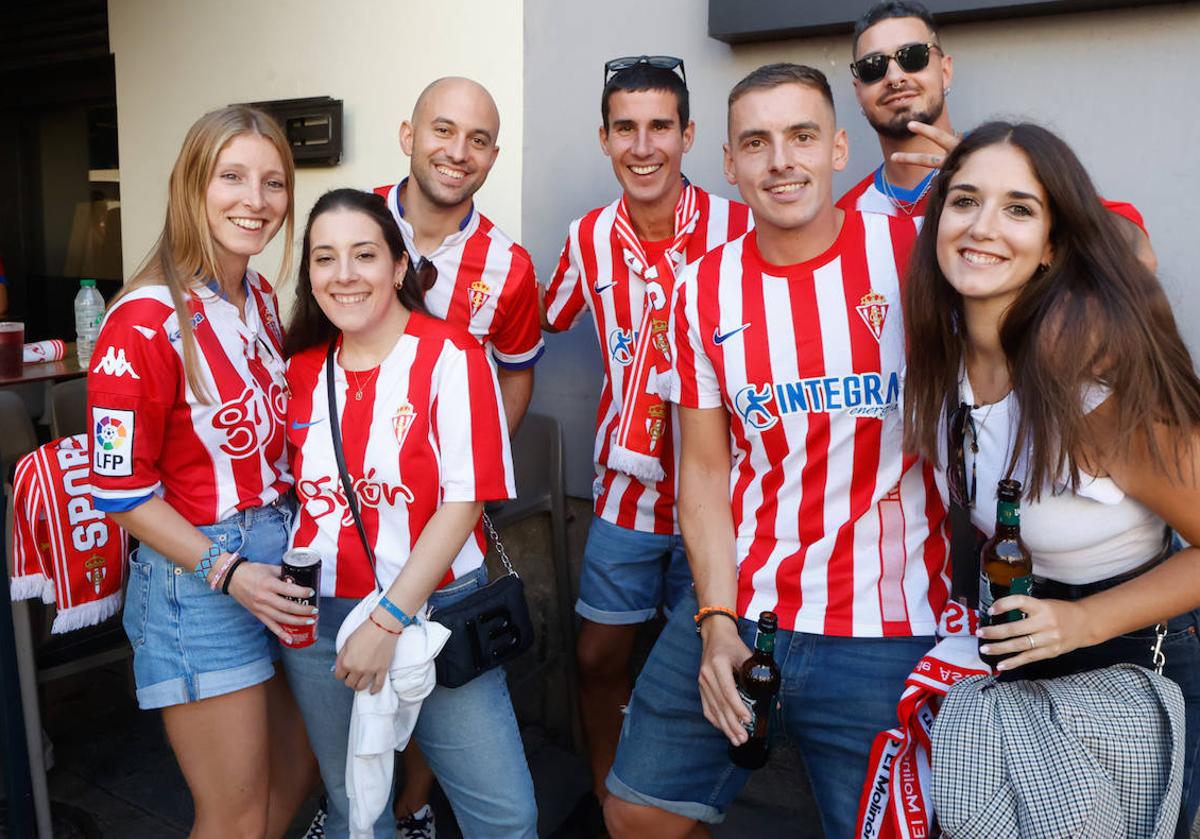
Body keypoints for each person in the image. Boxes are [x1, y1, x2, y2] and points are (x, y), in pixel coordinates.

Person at [603, 63, 948, 839]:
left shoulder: (919, 257)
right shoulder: (699, 288)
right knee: (636, 810)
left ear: (837, 148)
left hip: (882, 625)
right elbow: (702, 469)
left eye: (801, 136)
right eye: (755, 143)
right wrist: (715, 619)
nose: (779, 160)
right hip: (741, 606)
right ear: (728, 163)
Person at [902, 120, 1200, 837]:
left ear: (1053, 247)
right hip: (1017, 654)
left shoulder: (1092, 387)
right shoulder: (940, 357)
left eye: (1019, 208)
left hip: (1130, 660)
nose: (982, 227)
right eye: (964, 200)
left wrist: (1083, 621)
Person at [86, 106, 317, 839]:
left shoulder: (256, 300)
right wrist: (227, 569)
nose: (256, 199)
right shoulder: (141, 321)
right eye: (233, 177)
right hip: (198, 580)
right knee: (235, 815)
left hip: (273, 560)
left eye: (273, 181)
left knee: (298, 771)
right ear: (193, 184)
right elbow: (120, 492)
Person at [281, 188, 538, 839]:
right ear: (310, 276)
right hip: (323, 617)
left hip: (436, 610)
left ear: (398, 266)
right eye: (325, 258)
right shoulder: (301, 371)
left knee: (505, 817)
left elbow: (466, 499)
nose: (344, 273)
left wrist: (389, 618)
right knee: (355, 807)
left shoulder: (451, 355)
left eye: (364, 254)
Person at [540, 55, 751, 803]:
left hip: (723, 493)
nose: (643, 146)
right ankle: (609, 800)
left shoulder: (740, 228)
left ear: (688, 135)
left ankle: (680, 807)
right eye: (625, 127)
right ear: (604, 139)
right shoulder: (589, 237)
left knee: (703, 660)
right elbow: (531, 321)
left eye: (660, 126)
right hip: (627, 489)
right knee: (598, 655)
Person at [370, 76, 543, 838]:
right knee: (342, 688)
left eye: (477, 140)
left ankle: (412, 804)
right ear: (407, 130)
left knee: (441, 669)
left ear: (494, 156)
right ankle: (351, 810)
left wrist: (475, 466)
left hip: (441, 521)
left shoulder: (509, 265)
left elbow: (518, 366)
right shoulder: (353, 217)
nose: (457, 152)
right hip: (336, 511)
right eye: (444, 130)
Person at [840, 0, 1159, 272]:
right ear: (859, 92)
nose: (895, 77)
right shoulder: (846, 215)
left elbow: (1139, 258)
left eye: (912, 57)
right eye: (873, 67)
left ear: (945, 70)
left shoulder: (1015, 164)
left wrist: (987, 175)